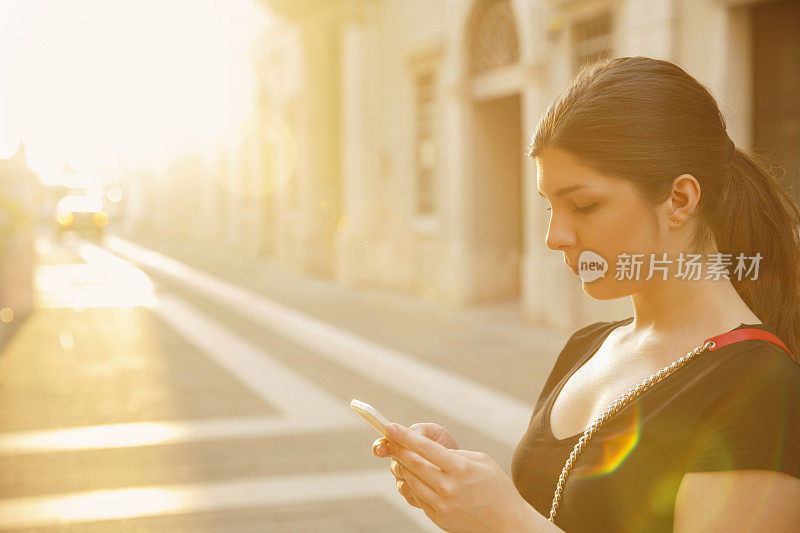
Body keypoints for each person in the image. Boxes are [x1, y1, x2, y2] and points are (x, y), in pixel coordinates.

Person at [371, 56, 800, 532]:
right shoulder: (590, 344)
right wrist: (461, 486)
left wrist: (503, 521)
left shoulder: (760, 387)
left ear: (680, 199)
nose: (555, 237)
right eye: (550, 206)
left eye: (584, 205)